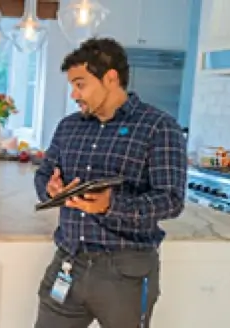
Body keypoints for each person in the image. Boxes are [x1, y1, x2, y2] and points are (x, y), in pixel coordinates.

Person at [33, 37, 187, 328]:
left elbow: (171, 199)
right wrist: (50, 189)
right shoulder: (69, 126)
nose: (74, 94)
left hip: (125, 271)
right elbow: (44, 174)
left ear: (111, 78)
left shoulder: (159, 127)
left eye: (80, 84)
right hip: (68, 262)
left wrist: (110, 205)